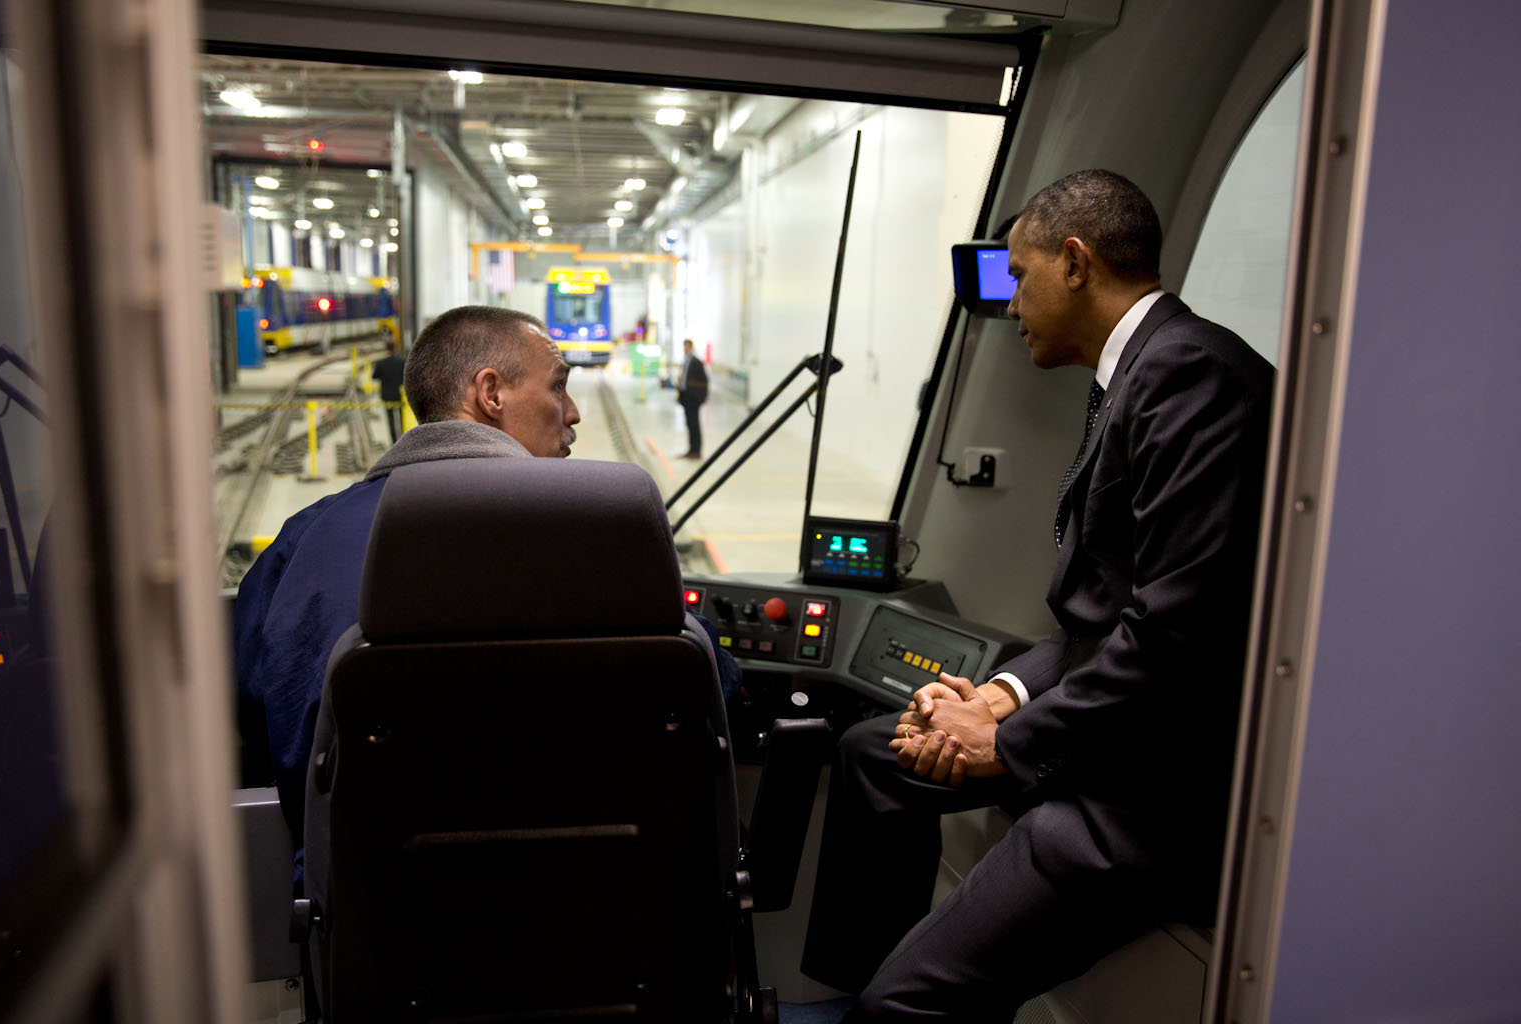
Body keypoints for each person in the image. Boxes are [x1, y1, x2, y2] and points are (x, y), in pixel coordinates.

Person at [800, 170, 1275, 1020]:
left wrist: (1004, 746)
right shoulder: (1136, 377)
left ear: (1076, 261)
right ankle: (853, 985)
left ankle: (887, 1003)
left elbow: (1174, 636)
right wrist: (999, 695)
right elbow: (1101, 617)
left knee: (903, 1008)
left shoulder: (1191, 377)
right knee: (875, 754)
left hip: (1159, 790)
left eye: (1018, 276)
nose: (1010, 303)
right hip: (1116, 724)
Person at [232, 306, 739, 875]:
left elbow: (255, 708)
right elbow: (704, 688)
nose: (573, 413)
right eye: (559, 386)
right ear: (490, 394)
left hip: (377, 935)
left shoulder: (306, 541)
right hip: (612, 922)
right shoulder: (610, 533)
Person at [676, 338, 709, 458]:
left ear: (691, 347)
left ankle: (696, 451)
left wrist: (700, 398)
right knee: (689, 424)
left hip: (693, 398)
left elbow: (704, 381)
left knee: (694, 425)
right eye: (683, 346)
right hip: (686, 397)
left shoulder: (695, 362)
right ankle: (691, 450)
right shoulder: (686, 361)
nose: (685, 349)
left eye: (687, 347)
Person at [370, 348, 406, 441]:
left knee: (390, 419)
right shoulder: (401, 362)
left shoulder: (382, 363)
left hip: (387, 396)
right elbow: (405, 375)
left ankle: (394, 440)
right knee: (402, 418)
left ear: (386, 351)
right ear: (395, 350)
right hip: (399, 395)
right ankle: (403, 437)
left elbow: (374, 376)